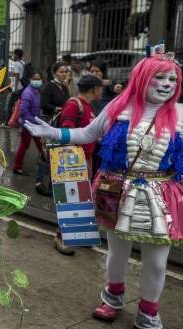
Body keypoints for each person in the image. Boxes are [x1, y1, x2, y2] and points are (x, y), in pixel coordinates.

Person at [25, 46, 183, 329]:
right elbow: (88, 133)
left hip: (162, 195)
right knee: (117, 254)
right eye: (160, 78)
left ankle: (148, 311)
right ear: (143, 78)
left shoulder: (180, 116)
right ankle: (113, 297)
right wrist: (55, 133)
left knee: (158, 262)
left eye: (172, 80)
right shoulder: (119, 107)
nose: (167, 85)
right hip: (116, 190)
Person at [53, 74, 103, 255]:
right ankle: (60, 237)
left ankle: (79, 236)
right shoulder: (74, 105)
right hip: (72, 160)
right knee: (70, 199)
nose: (102, 92)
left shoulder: (89, 107)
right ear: (94, 89)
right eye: (100, 88)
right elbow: (66, 132)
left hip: (86, 158)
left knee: (83, 200)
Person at [12, 72, 44, 175]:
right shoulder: (28, 93)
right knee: (32, 145)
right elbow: (23, 111)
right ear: (31, 79)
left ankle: (17, 166)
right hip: (29, 125)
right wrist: (36, 122)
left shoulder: (36, 91)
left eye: (39, 79)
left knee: (37, 145)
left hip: (33, 124)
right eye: (35, 79)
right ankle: (17, 167)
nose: (37, 81)